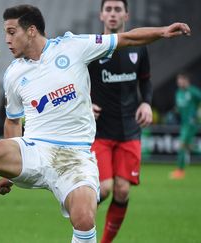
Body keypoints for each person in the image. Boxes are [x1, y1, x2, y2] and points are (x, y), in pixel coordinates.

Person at [0, 4, 191, 243]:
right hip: (36, 150)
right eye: (5, 34)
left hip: (76, 156)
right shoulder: (13, 74)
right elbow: (13, 122)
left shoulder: (74, 47)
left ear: (32, 30)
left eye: (12, 32)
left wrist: (163, 32)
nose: (7, 40)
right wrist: (8, 172)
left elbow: (126, 39)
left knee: (85, 217)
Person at [87, 1, 152, 242]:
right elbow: (75, 83)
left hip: (129, 130)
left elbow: (145, 80)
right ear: (101, 15)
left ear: (126, 14)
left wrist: (146, 102)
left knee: (122, 190)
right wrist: (84, 105)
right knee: (104, 188)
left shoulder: (139, 47)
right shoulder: (92, 48)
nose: (113, 14)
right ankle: (79, 213)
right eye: (109, 9)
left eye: (117, 9)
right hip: (100, 131)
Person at [170, 72, 201, 179]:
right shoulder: (178, 92)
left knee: (182, 145)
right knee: (188, 146)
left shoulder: (193, 92)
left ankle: (180, 170)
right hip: (184, 123)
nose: (178, 82)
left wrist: (198, 113)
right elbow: (179, 107)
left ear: (186, 80)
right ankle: (180, 170)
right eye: (178, 80)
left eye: (180, 79)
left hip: (191, 123)